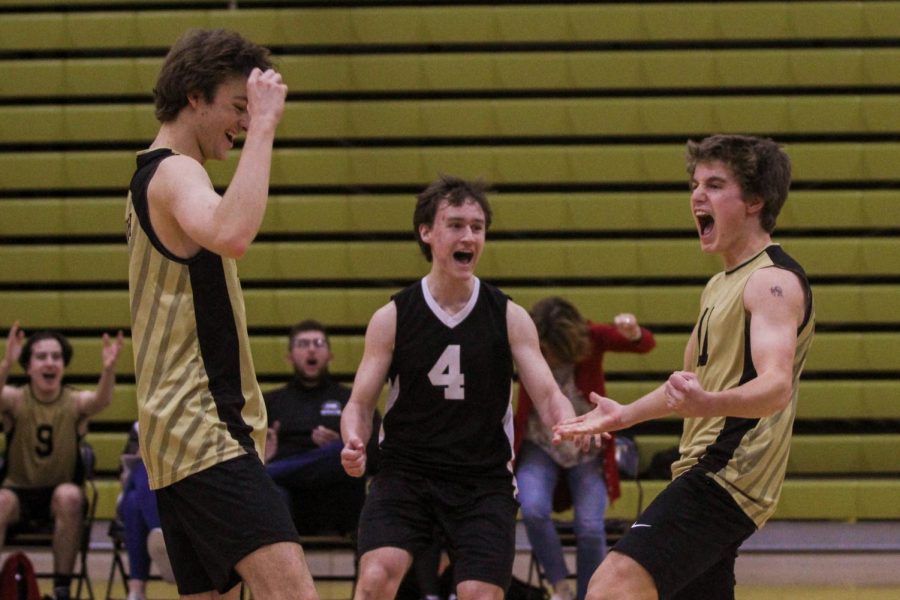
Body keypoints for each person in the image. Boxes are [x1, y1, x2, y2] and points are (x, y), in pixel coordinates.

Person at [554, 135, 815, 600]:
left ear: (755, 200)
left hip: (727, 472)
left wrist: (710, 402)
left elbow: (776, 387)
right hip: (704, 471)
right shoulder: (719, 285)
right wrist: (623, 414)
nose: (697, 195)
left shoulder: (771, 282)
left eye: (715, 185)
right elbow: (689, 388)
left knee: (610, 587)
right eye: (695, 184)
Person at [125, 28, 317, 600]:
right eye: (236, 106)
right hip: (202, 431)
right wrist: (265, 127)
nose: (241, 121)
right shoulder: (176, 172)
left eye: (248, 111)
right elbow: (233, 232)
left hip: (174, 442)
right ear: (194, 96)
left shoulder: (151, 176)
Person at [340, 175, 583, 600]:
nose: (468, 235)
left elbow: (546, 392)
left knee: (478, 593)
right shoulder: (394, 315)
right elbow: (359, 403)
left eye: (477, 226)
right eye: (455, 224)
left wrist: (567, 422)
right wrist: (354, 440)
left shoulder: (507, 315)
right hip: (406, 473)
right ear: (427, 233)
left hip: (481, 479)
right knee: (378, 576)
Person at [513, 297, 656, 600]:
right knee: (533, 508)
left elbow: (644, 344)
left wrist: (633, 332)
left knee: (590, 527)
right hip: (541, 443)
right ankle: (560, 588)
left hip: (588, 449)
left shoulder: (591, 337)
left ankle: (589, 595)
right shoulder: (527, 340)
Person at [0, 322, 124, 600]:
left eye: (56, 357)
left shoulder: (72, 401)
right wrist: (6, 363)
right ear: (28, 366)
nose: (50, 363)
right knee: (0, 500)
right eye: (42, 356)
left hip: (59, 496)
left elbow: (100, 401)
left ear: (64, 365)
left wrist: (108, 370)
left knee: (69, 495)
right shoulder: (17, 399)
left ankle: (62, 590)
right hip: (18, 493)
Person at [264, 319, 379, 536]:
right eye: (302, 344)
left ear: (330, 355)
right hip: (290, 497)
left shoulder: (351, 401)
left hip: (335, 494)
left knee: (344, 450)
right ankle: (269, 471)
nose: (311, 349)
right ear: (289, 356)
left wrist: (340, 444)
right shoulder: (270, 403)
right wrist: (263, 457)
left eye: (318, 343)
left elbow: (375, 453)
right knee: (270, 493)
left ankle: (268, 473)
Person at [117, 421, 175, 600]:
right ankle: (165, 537)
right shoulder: (140, 426)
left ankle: (136, 590)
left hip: (179, 494)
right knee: (142, 468)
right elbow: (123, 471)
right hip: (151, 494)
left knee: (134, 502)